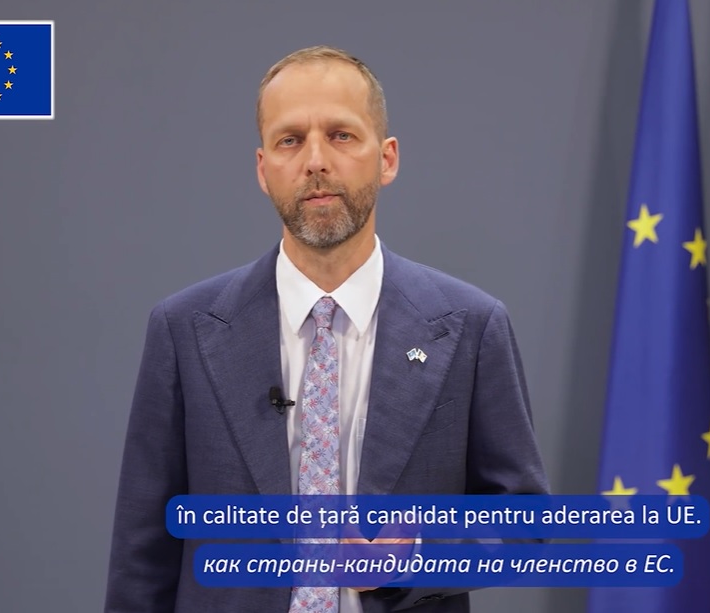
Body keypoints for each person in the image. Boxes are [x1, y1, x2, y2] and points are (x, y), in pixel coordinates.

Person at [104, 45, 549, 613]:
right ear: (263, 169)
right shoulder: (184, 329)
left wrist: (420, 556)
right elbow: (142, 556)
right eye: (290, 140)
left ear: (386, 159)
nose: (315, 160)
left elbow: (524, 525)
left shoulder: (470, 326)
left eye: (341, 135)